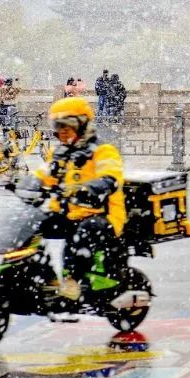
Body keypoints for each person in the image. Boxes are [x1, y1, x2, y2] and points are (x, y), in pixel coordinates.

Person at [35, 97, 127, 301]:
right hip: (69, 211)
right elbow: (43, 174)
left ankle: (72, 282)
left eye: (67, 125)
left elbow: (110, 178)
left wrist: (88, 188)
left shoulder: (103, 151)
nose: (62, 131)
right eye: (57, 126)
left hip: (102, 214)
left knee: (83, 232)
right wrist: (26, 183)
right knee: (35, 223)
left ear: (82, 124)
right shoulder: (58, 153)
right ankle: (45, 278)